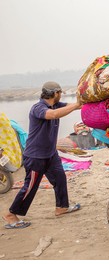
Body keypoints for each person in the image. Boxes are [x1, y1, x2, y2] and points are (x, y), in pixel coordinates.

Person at [2, 81, 82, 229]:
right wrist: (76, 105)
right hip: (35, 156)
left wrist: (85, 101)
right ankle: (11, 214)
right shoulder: (38, 108)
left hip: (50, 155)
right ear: (55, 93)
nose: (60, 96)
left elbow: (69, 107)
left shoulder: (55, 105)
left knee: (60, 178)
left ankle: (62, 207)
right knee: (30, 186)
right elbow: (53, 115)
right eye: (60, 93)